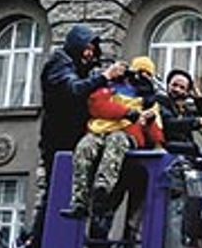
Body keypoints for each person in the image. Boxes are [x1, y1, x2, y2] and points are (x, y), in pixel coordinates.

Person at [37, 24, 125, 248]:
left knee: (76, 193)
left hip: (74, 139)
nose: (90, 54)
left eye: (92, 50)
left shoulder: (78, 66)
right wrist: (105, 77)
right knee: (56, 194)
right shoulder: (59, 63)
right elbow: (72, 91)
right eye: (87, 48)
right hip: (60, 141)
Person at [63, 56, 165, 223]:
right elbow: (97, 106)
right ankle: (79, 200)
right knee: (84, 147)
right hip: (99, 131)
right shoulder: (111, 87)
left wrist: (149, 121)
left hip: (126, 135)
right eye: (139, 72)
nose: (141, 77)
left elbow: (156, 135)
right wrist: (126, 112)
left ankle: (102, 190)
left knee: (116, 142)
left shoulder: (149, 100)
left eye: (147, 74)